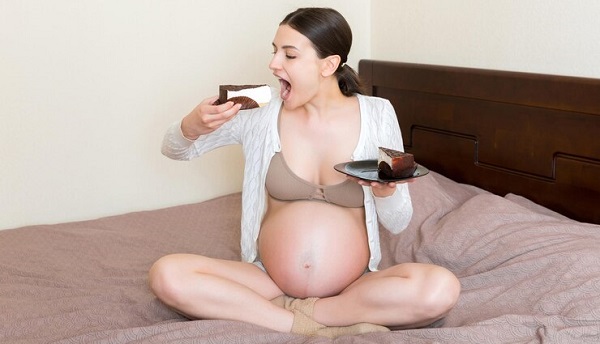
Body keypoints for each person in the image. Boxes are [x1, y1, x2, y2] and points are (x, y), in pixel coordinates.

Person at [149, 7, 460, 338]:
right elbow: (175, 149)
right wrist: (191, 125)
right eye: (274, 50)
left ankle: (304, 314)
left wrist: (386, 192)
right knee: (166, 274)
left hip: (353, 287)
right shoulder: (260, 106)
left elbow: (398, 221)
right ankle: (302, 324)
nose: (273, 64)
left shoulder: (377, 113)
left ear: (328, 65)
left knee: (440, 288)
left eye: (290, 55)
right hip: (266, 279)